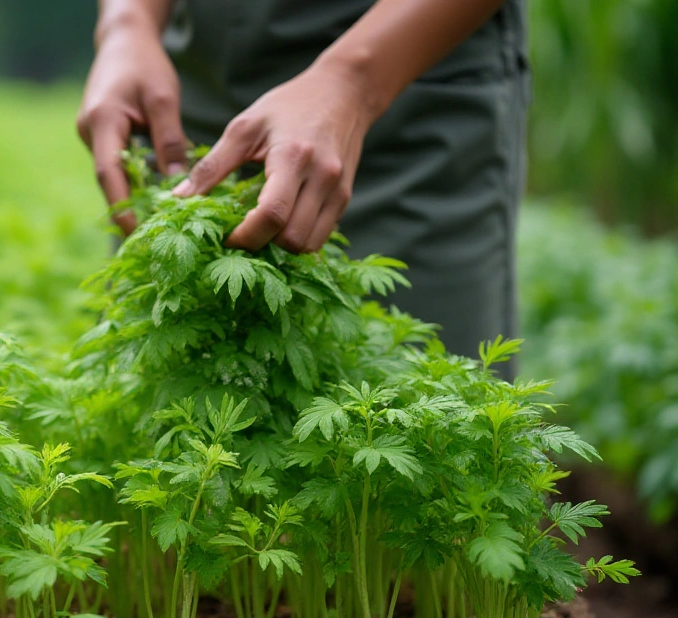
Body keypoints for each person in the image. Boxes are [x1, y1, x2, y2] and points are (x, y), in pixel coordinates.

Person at [77, 0, 529, 373]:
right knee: (155, 411)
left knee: (428, 415)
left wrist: (355, 79)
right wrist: (126, 23)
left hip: (408, 73)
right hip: (193, 80)